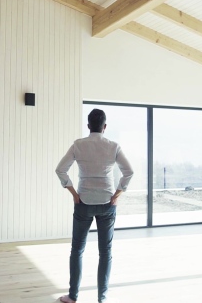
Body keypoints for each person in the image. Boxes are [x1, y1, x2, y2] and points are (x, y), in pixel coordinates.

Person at [55, 108, 134, 303]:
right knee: (105, 251)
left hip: (83, 202)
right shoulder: (113, 146)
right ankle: (102, 298)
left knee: (77, 250)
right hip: (107, 203)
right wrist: (117, 193)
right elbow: (129, 172)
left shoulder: (78, 145)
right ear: (104, 127)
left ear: (88, 125)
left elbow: (60, 170)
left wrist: (73, 192)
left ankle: (73, 296)